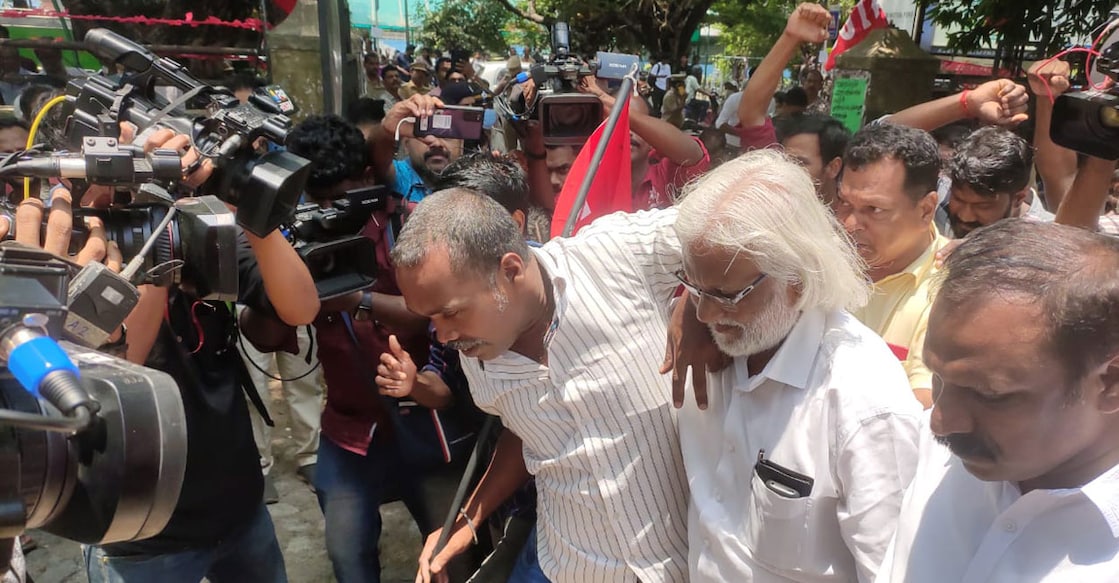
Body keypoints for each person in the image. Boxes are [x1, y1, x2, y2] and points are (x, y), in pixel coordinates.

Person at [67, 126, 320, 583]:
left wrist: (248, 205)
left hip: (236, 506)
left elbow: (300, 307)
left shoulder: (195, 226)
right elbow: (125, 364)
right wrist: (148, 205)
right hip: (143, 532)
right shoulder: (75, 246)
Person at [397, 190, 690, 583]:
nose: (444, 335)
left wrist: (702, 301)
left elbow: (749, 205)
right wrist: (468, 519)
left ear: (511, 270)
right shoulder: (477, 360)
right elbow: (529, 432)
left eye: (450, 312)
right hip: (571, 569)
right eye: (430, 318)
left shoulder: (617, 255)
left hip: (689, 563)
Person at [675, 149, 921, 582]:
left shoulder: (863, 403)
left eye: (726, 297)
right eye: (695, 289)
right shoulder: (714, 342)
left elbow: (890, 571)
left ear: (798, 280)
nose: (706, 316)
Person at [876, 219, 1119, 582]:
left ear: (1110, 382)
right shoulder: (941, 457)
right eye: (937, 378)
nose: (939, 422)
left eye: (989, 394)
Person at [285, 114, 452, 583]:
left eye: (336, 199)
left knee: (450, 555)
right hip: (349, 430)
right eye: (313, 201)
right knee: (348, 557)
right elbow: (266, 329)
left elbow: (432, 311)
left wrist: (354, 298)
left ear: (364, 180)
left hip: (424, 420)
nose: (325, 212)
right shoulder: (299, 233)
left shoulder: (410, 224)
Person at [837, 123, 948, 408]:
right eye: (845, 204)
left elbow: (923, 403)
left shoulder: (951, 287)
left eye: (874, 210)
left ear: (926, 210)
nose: (850, 224)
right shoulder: (820, 263)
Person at [945, 126, 1053, 239]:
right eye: (958, 199)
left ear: (1019, 198)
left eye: (983, 206)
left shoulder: (1050, 243)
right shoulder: (938, 200)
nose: (965, 216)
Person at [373, 94, 465, 206]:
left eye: (446, 135)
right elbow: (376, 161)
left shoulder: (472, 184)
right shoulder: (398, 174)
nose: (436, 143)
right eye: (425, 134)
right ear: (406, 144)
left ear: (461, 145)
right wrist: (386, 132)